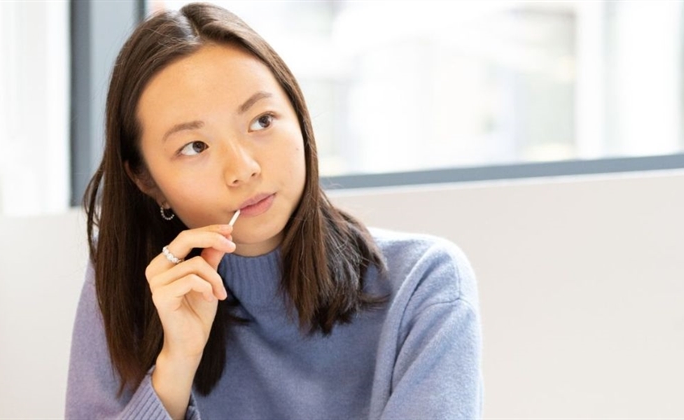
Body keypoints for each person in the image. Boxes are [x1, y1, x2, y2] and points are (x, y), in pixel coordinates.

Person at [65, 2, 483, 419]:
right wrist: (175, 367)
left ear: (299, 118)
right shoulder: (126, 279)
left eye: (262, 121)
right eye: (195, 147)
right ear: (147, 181)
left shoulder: (422, 284)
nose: (243, 169)